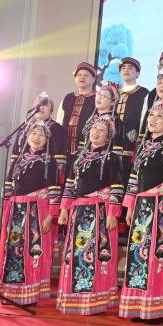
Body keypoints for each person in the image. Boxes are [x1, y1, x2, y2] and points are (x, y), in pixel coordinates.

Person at [119, 101, 163, 321]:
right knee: (139, 253)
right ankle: (139, 305)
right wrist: (129, 206)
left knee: (159, 254)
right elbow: (134, 179)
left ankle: (157, 308)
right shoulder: (143, 147)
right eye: (151, 115)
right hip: (142, 206)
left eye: (159, 116)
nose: (153, 119)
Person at [56, 115, 124, 315]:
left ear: (108, 136)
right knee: (76, 253)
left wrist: (113, 213)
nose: (96, 132)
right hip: (78, 209)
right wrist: (64, 209)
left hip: (100, 210)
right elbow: (70, 185)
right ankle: (75, 296)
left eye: (101, 130)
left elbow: (117, 187)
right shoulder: (78, 157)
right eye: (94, 128)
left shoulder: (112, 157)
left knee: (97, 254)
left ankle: (95, 299)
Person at [0, 119, 62, 305]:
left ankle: (29, 294)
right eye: (33, 133)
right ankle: (10, 291)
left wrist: (50, 216)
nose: (37, 137)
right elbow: (9, 186)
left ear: (47, 140)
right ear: (26, 136)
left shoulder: (49, 161)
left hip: (37, 209)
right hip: (16, 209)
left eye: (41, 135)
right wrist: (6, 209)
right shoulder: (18, 160)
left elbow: (54, 190)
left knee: (33, 249)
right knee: (14, 249)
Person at [19, 92, 67, 175]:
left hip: (46, 174)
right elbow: (16, 155)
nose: (41, 107)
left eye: (45, 105)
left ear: (51, 111)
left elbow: (59, 159)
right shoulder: (24, 127)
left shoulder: (57, 129)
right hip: (22, 173)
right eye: (39, 104)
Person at [59, 62, 97, 157]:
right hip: (65, 147)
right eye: (79, 75)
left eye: (86, 75)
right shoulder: (68, 97)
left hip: (87, 148)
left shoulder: (98, 98)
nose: (82, 77)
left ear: (93, 79)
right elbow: (59, 120)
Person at [115, 57, 149, 160]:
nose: (126, 70)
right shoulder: (114, 93)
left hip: (132, 139)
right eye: (123, 68)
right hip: (113, 139)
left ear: (137, 73)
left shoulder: (144, 93)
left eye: (130, 68)